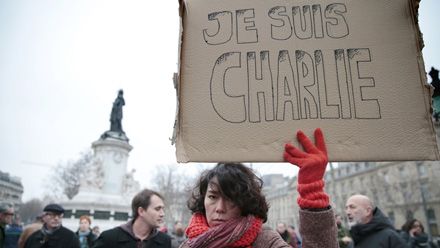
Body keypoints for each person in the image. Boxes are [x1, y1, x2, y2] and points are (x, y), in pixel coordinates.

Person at [180, 128, 338, 247]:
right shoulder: (189, 244)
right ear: (203, 199)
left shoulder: (265, 241)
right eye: (213, 197)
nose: (220, 208)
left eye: (230, 198)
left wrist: (312, 191)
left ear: (245, 203)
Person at [94, 189, 172, 248]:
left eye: (162, 209)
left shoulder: (165, 241)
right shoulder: (109, 238)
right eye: (157, 209)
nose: (162, 214)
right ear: (141, 211)